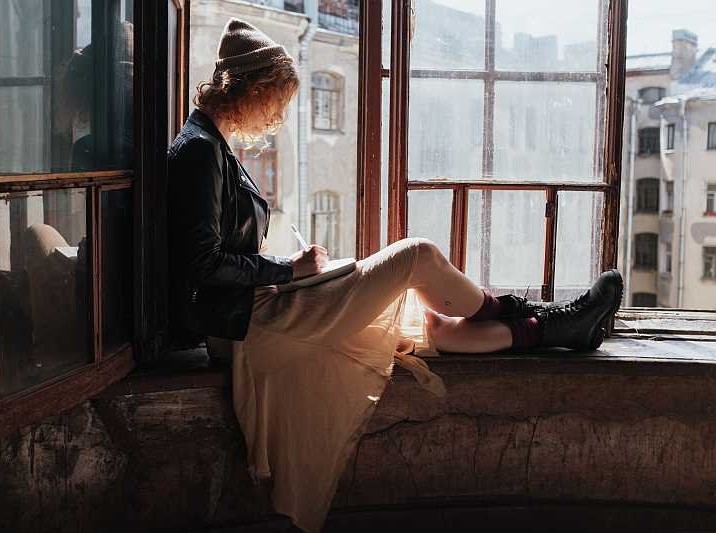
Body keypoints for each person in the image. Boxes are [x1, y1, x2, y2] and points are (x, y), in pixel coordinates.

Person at [167, 19, 623, 532]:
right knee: (417, 256)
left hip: (257, 310)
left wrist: (291, 269)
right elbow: (200, 264)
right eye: (275, 98)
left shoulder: (211, 144)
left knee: (416, 322)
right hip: (249, 326)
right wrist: (287, 268)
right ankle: (537, 317)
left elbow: (220, 251)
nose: (277, 114)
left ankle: (554, 329)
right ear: (247, 89)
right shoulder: (200, 150)